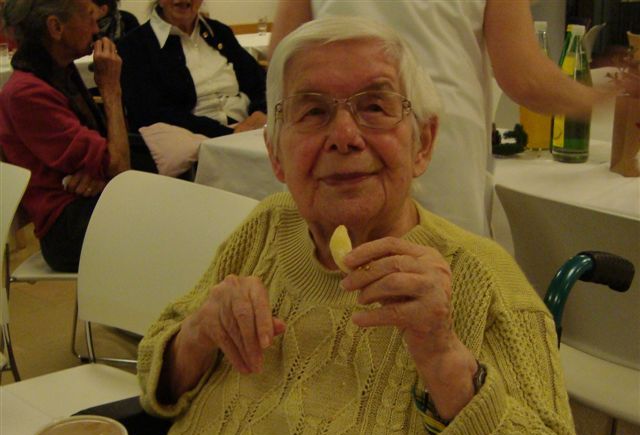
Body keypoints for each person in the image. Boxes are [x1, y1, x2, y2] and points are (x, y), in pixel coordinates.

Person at [137, 16, 586, 435]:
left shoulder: (484, 279)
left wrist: (444, 359)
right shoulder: (268, 226)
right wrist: (198, 333)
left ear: (423, 143)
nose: (345, 136)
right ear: (275, 155)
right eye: (313, 111)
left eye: (375, 107)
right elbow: (155, 378)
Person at [269, 0, 616, 237]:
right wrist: (604, 98)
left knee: (331, 282)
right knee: (442, 287)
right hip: (439, 155)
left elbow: (282, 59)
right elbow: (525, 78)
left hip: (344, 141)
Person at [0, 0, 129, 272]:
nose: (96, 29)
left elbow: (112, 163)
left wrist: (102, 175)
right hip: (66, 227)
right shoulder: (26, 92)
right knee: (170, 220)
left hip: (90, 204)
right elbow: (119, 165)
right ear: (56, 27)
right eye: (89, 17)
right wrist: (111, 90)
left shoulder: (58, 72)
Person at [117, 0, 267, 138]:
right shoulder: (135, 46)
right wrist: (229, 133)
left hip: (249, 129)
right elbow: (151, 113)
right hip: (194, 141)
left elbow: (260, 82)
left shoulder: (219, 32)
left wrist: (260, 112)